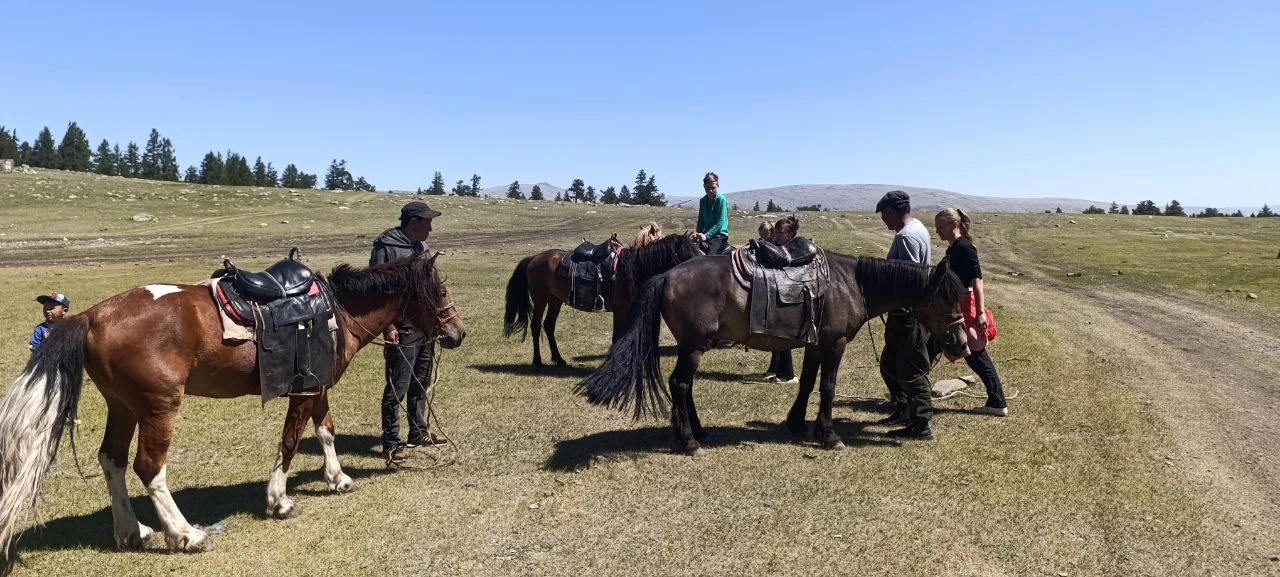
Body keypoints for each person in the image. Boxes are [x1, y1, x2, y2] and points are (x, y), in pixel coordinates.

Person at [371, 201, 447, 464]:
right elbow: (377, 291)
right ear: (413, 222)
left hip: (424, 325)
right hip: (401, 327)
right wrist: (388, 327)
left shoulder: (421, 247)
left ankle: (418, 431)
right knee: (397, 386)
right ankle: (391, 442)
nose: (431, 228)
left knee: (421, 381)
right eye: (428, 222)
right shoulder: (386, 247)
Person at [934, 208, 1008, 416]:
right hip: (959, 304)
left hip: (966, 304)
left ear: (954, 225)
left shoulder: (964, 248)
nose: (937, 231)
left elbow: (977, 281)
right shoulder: (954, 248)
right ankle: (997, 400)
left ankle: (997, 401)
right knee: (971, 353)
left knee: (975, 354)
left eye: (941, 227)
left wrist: (981, 313)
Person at [874, 191, 936, 440]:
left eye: (884, 215)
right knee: (890, 363)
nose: (883, 220)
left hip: (907, 312)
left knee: (911, 368)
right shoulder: (918, 227)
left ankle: (920, 424)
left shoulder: (906, 236)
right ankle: (902, 409)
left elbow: (909, 277)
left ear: (892, 211)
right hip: (906, 311)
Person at [693, 171, 730, 255]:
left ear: (718, 185)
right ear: (704, 186)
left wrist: (706, 236)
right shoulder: (702, 201)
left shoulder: (721, 199)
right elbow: (700, 220)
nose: (710, 190)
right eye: (707, 188)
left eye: (713, 188)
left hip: (718, 236)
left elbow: (720, 222)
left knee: (710, 258)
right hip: (705, 234)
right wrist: (698, 233)